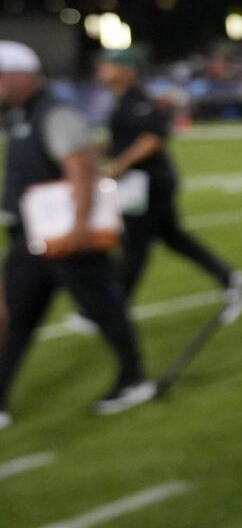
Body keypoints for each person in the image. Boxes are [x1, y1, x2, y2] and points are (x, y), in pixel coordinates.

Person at [0, 41, 152, 428]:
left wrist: (81, 225)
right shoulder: (25, 114)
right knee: (16, 318)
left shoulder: (54, 111)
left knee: (103, 309)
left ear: (21, 75)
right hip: (32, 235)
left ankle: (133, 377)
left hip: (65, 234)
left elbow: (81, 167)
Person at [95, 50, 242, 304]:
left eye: (109, 65)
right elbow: (126, 140)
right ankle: (230, 277)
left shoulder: (137, 99)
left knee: (134, 243)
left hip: (147, 183)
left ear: (127, 70)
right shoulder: (121, 100)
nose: (101, 69)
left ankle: (112, 305)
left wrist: (118, 165)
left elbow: (151, 139)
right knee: (171, 237)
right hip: (138, 182)